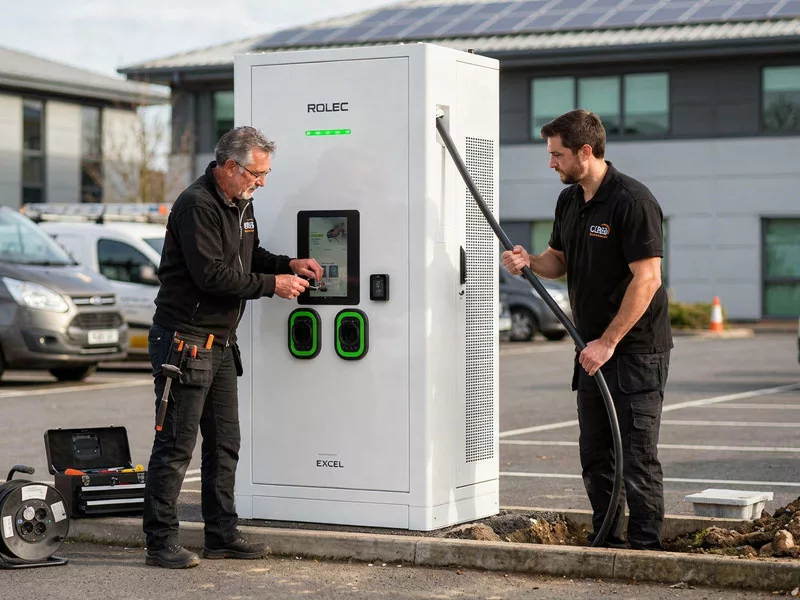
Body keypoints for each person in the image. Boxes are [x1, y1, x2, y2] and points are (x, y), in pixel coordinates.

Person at [143, 126, 323, 569]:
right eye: (256, 174)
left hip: (219, 344)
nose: (262, 182)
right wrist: (273, 285)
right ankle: (160, 541)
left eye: (264, 174)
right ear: (229, 167)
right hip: (184, 341)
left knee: (225, 443)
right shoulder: (196, 206)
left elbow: (248, 256)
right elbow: (213, 276)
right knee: (176, 445)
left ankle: (221, 535)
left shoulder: (240, 203)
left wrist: (287, 263)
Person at [502, 109, 672, 550]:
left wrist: (609, 341)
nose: (550, 163)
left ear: (585, 151)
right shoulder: (570, 201)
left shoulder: (632, 201)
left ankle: (646, 548)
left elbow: (648, 278)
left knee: (635, 456)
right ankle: (606, 541)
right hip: (589, 349)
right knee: (596, 455)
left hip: (634, 351)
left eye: (557, 154)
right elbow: (558, 260)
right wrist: (529, 262)